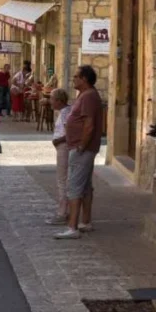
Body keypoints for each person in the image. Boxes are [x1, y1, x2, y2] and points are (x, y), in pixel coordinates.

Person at [55, 66, 104, 239]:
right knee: (85, 186)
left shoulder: (88, 96)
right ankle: (86, 221)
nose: (73, 79)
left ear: (84, 79)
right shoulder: (85, 95)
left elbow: (89, 125)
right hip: (81, 147)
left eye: (76, 76)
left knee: (74, 186)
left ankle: (72, 227)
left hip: (82, 148)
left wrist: (81, 146)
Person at [45, 88, 72, 226]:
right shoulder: (64, 112)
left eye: (52, 99)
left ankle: (63, 212)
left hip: (64, 147)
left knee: (62, 179)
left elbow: (69, 133)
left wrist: (58, 140)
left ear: (59, 101)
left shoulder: (66, 113)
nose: (50, 101)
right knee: (64, 179)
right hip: (62, 146)